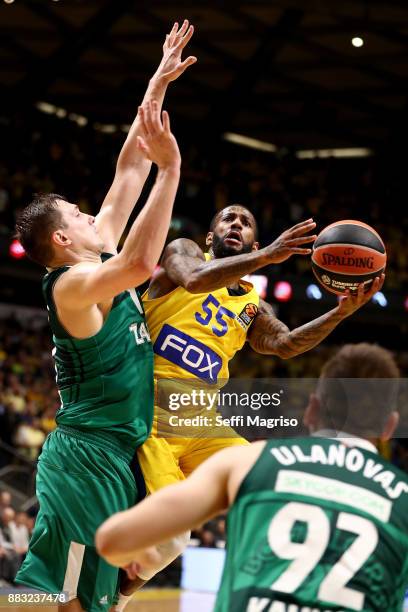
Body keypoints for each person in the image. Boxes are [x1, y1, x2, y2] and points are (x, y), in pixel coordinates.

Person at [13, 19, 194, 612]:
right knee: (62, 602)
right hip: (88, 457)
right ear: (63, 239)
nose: (93, 212)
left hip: (120, 455)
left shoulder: (98, 253)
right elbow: (144, 262)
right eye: (78, 212)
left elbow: (127, 170)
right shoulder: (73, 285)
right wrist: (173, 172)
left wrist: (157, 84)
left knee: (146, 557)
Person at [129, 205, 383, 588]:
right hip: (152, 416)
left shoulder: (252, 304)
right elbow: (196, 281)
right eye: (228, 219)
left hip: (200, 424)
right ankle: (117, 598)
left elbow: (285, 343)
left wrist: (340, 313)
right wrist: (268, 256)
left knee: (274, 478)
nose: (237, 224)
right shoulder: (184, 253)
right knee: (172, 540)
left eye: (246, 223)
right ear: (210, 237)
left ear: (254, 242)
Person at [96, 343, 408, 612]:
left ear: (311, 409)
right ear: (389, 427)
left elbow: (112, 538)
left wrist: (143, 554)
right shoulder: (403, 497)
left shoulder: (248, 459)